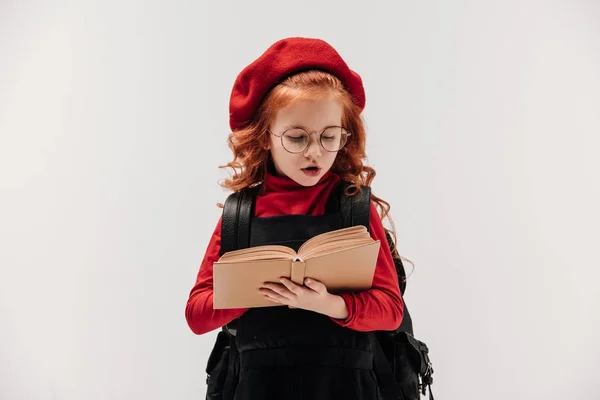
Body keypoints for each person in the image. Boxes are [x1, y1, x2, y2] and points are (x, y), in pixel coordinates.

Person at [185, 37, 405, 400]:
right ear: (265, 138)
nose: (315, 152)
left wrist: (330, 304)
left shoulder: (355, 208)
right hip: (259, 386)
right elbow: (196, 315)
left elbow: (391, 312)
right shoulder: (241, 215)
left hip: (346, 388)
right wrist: (254, 287)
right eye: (297, 138)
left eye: (329, 136)